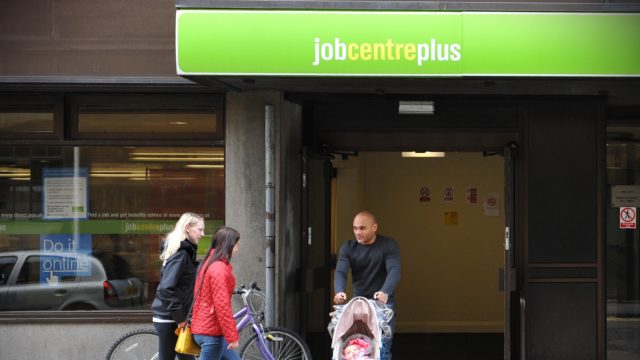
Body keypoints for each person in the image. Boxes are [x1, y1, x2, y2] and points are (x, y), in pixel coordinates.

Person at [334, 211, 401, 360]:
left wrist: (385, 291)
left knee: (382, 348)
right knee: (356, 347)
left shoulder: (388, 245)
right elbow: (340, 272)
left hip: (383, 303)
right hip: (359, 303)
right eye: (355, 228)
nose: (358, 232)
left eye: (362, 228)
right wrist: (339, 291)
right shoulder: (348, 247)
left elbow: (394, 270)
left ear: (374, 227)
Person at [152, 212, 205, 360]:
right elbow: (166, 288)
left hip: (174, 317)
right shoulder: (181, 254)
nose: (203, 234)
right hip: (171, 319)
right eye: (200, 229)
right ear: (188, 228)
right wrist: (181, 318)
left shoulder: (184, 250)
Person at [191, 227, 241, 360]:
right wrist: (232, 337)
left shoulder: (209, 263)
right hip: (211, 335)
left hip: (207, 330)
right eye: (236, 243)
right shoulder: (219, 269)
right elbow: (222, 306)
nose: (238, 248)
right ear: (229, 244)